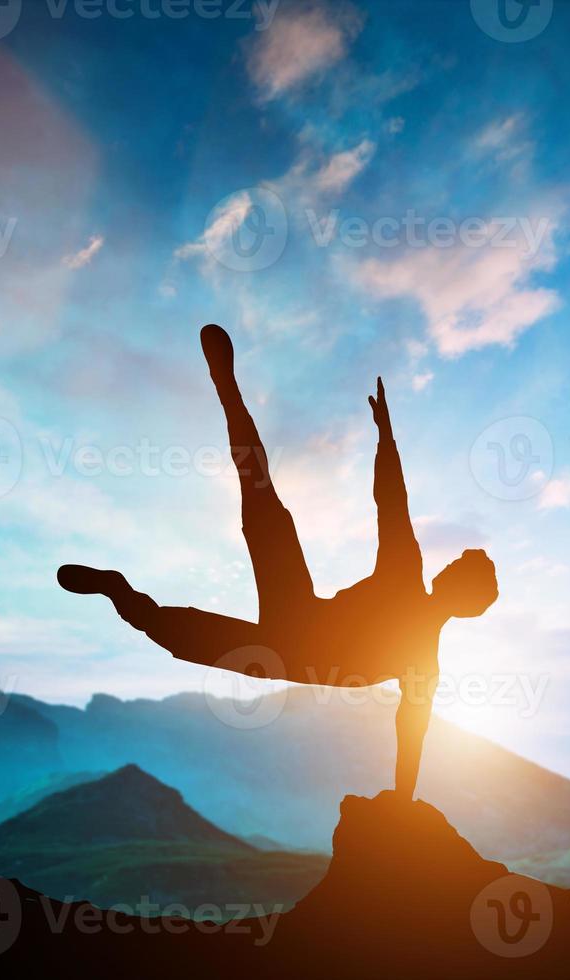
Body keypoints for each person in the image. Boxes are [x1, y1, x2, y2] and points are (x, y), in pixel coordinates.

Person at [58, 324, 498, 799]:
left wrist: (402, 804)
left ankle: (117, 589)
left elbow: (411, 734)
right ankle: (228, 391)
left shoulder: (420, 648)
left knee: (174, 630)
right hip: (294, 619)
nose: (449, 564)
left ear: (462, 594)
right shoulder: (413, 611)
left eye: (459, 567)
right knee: (261, 498)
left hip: (281, 653)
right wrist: (385, 439)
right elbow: (392, 500)